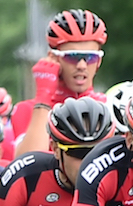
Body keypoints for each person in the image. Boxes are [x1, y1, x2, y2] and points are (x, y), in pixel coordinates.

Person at [13, 10, 107, 156]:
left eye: (90, 57)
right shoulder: (26, 110)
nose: (82, 65)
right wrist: (43, 98)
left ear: (99, 61)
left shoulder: (108, 106)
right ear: (53, 58)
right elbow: (25, 165)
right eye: (72, 57)